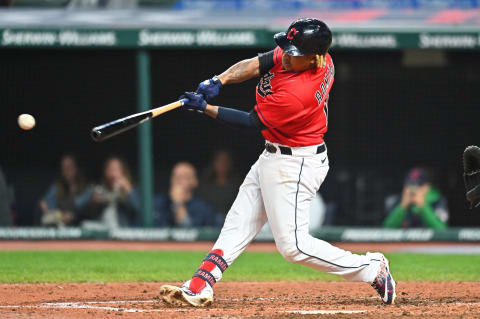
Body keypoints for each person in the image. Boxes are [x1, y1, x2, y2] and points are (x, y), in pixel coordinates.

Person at [160, 18, 396, 307]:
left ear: (314, 59)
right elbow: (256, 63)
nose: (285, 55)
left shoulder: (298, 94)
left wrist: (204, 108)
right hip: (273, 156)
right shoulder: (304, 55)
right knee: (238, 222)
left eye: (294, 53)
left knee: (294, 247)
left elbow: (250, 121)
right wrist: (217, 81)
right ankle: (200, 284)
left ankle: (373, 268)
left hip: (296, 163)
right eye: (286, 48)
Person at [154, 162, 222, 227]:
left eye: (185, 177)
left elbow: (191, 235)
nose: (179, 181)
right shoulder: (159, 204)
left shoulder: (204, 209)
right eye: (176, 177)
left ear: (195, 182)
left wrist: (179, 205)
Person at [81, 157, 138, 228]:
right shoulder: (98, 189)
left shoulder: (129, 190)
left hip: (121, 231)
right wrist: (93, 202)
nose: (113, 174)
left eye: (116, 170)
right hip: (102, 231)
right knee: (85, 225)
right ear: (105, 172)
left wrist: (129, 189)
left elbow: (137, 208)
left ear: (123, 172)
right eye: (110, 170)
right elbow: (79, 206)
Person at [383, 168, 448, 229]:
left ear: (427, 187)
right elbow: (385, 230)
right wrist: (403, 206)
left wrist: (423, 206)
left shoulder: (437, 201)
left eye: (418, 185)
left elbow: (442, 230)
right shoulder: (397, 201)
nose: (413, 189)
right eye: (410, 185)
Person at [39, 154, 91, 227]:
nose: (66, 171)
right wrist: (58, 215)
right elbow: (44, 203)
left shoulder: (86, 188)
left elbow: (79, 206)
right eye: (64, 168)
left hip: (80, 224)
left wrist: (71, 215)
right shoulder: (57, 187)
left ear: (76, 167)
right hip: (59, 222)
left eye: (69, 167)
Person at [197, 150, 241, 216]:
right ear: (214, 163)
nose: (222, 164)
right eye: (219, 161)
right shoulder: (205, 187)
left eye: (225, 161)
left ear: (230, 163)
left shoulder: (238, 187)